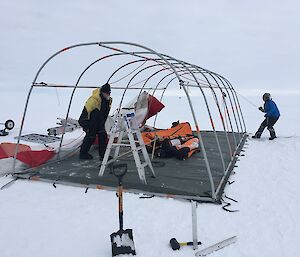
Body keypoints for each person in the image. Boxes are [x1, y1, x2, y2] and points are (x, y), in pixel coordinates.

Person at [78, 83, 112, 160]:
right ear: (102, 92)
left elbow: (105, 113)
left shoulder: (108, 101)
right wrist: (87, 126)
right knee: (90, 137)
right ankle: (83, 154)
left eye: (109, 93)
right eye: (106, 93)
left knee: (103, 137)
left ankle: (103, 155)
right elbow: (83, 116)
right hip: (91, 123)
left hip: (100, 122)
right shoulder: (93, 100)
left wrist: (102, 122)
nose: (108, 95)